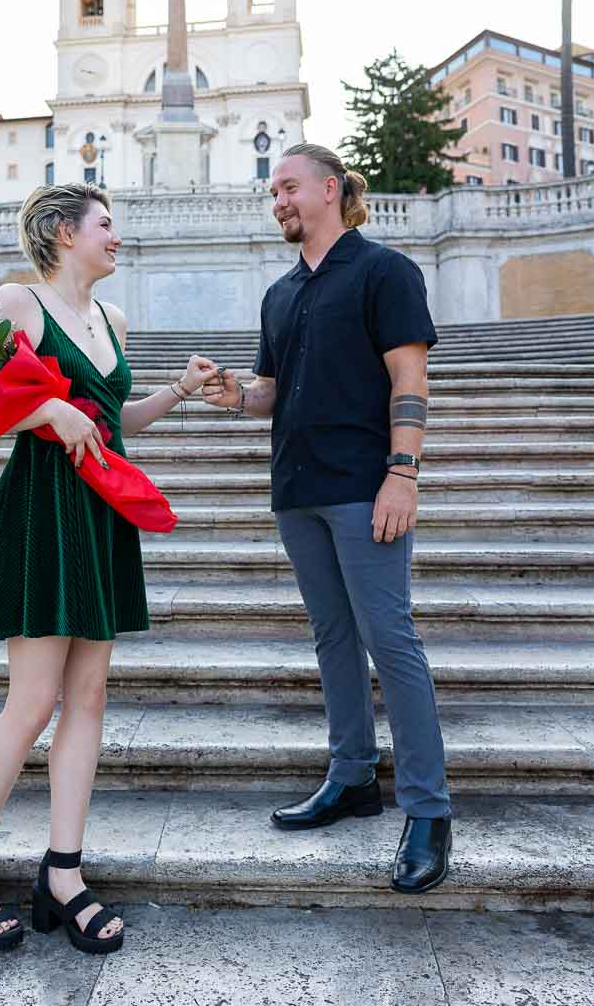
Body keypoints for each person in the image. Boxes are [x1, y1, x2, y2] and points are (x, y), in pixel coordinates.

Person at [0, 182, 218, 952]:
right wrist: (41, 411)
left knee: (88, 698)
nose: (117, 237)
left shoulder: (113, 320)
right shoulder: (18, 303)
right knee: (29, 704)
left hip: (100, 513)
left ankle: (63, 873)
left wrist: (179, 390)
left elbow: (111, 418)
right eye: (106, 225)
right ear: (64, 233)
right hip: (39, 508)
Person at [203, 143, 452, 894]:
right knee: (332, 636)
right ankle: (352, 780)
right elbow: (270, 390)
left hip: (364, 483)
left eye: (287, 186)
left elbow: (410, 378)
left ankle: (429, 810)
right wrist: (234, 398)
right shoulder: (279, 292)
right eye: (271, 191)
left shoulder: (385, 270)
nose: (276, 200)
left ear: (331, 188)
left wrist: (401, 476)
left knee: (391, 638)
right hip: (297, 490)